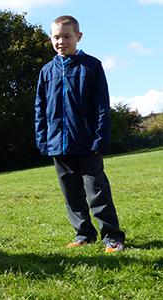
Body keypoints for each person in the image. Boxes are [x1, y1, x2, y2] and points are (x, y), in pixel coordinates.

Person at [35, 15, 125, 253]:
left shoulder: (91, 66)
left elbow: (102, 105)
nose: (61, 41)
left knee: (97, 191)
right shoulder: (46, 71)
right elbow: (40, 108)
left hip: (87, 142)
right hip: (57, 143)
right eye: (56, 37)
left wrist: (100, 138)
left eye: (67, 36)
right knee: (72, 194)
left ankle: (112, 237)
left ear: (78, 37)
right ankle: (84, 234)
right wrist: (43, 139)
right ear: (51, 39)